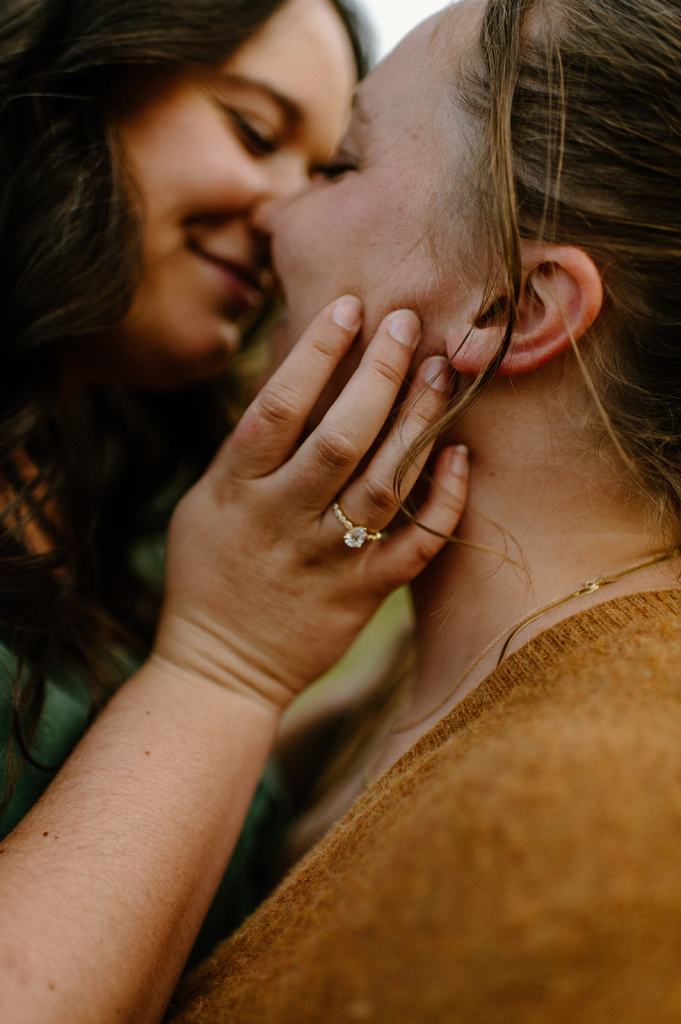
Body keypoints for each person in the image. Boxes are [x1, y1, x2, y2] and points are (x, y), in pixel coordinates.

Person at [167, 0, 681, 1020]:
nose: (273, 213)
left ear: (515, 312)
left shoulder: (607, 838)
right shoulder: (369, 719)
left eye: (342, 164)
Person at [0, 1, 471, 1020]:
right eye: (254, 132)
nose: (285, 215)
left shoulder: (127, 464)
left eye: (325, 172)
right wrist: (224, 659)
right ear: (71, 82)